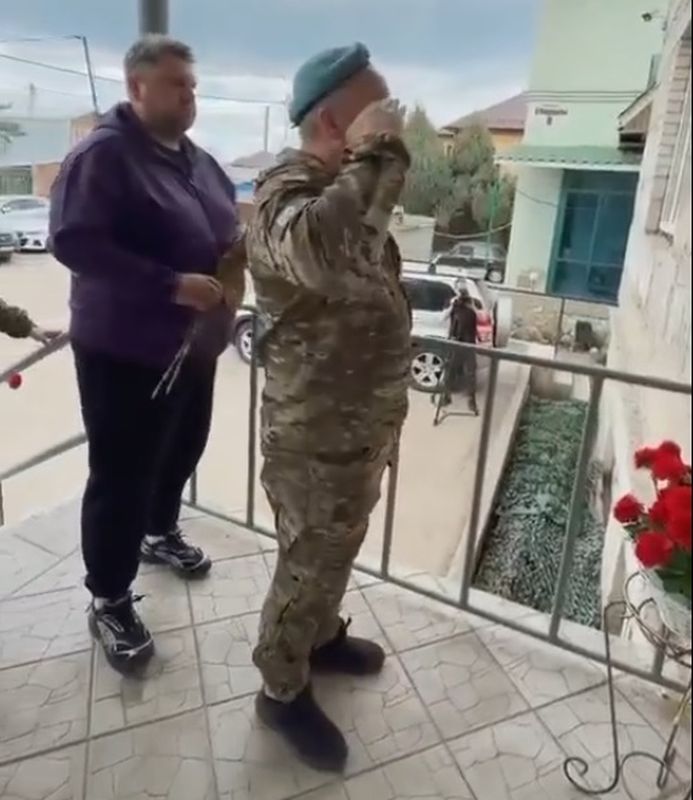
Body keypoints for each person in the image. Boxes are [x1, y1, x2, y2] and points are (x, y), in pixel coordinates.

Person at [49, 35, 242, 675]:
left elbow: (228, 230)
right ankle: (109, 597)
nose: (190, 95)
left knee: (182, 447)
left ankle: (159, 533)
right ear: (137, 87)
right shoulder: (102, 157)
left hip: (193, 346)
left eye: (193, 84)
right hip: (124, 350)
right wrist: (170, 284)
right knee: (121, 474)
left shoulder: (198, 161)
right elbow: (75, 243)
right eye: (176, 84)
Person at [247, 43, 412, 772]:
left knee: (335, 551)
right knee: (306, 563)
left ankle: (318, 640)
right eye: (378, 108)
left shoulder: (344, 188)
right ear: (332, 120)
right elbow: (318, 250)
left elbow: (361, 256)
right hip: (311, 435)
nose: (393, 118)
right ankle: (280, 690)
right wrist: (378, 151)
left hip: (357, 427)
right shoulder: (283, 194)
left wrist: (371, 161)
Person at [441, 285, 479, 415]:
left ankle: (471, 400)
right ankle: (446, 396)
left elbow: (477, 316)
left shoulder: (471, 310)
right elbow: (443, 318)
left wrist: (471, 304)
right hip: (457, 342)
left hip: (468, 344)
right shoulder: (454, 309)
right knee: (450, 370)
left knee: (470, 373)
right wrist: (452, 306)